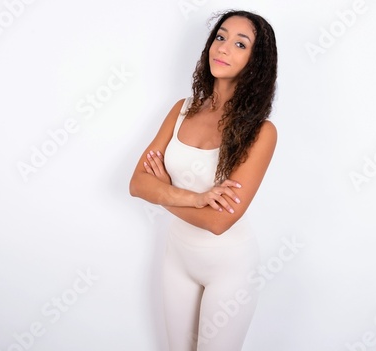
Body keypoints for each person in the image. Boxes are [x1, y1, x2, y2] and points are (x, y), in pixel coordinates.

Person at [129, 9, 278, 351]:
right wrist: (195, 197)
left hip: (229, 266)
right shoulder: (182, 109)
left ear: (256, 62)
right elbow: (137, 184)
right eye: (220, 37)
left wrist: (163, 191)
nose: (223, 48)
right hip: (176, 257)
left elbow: (219, 221)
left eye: (240, 44)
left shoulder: (261, 132)